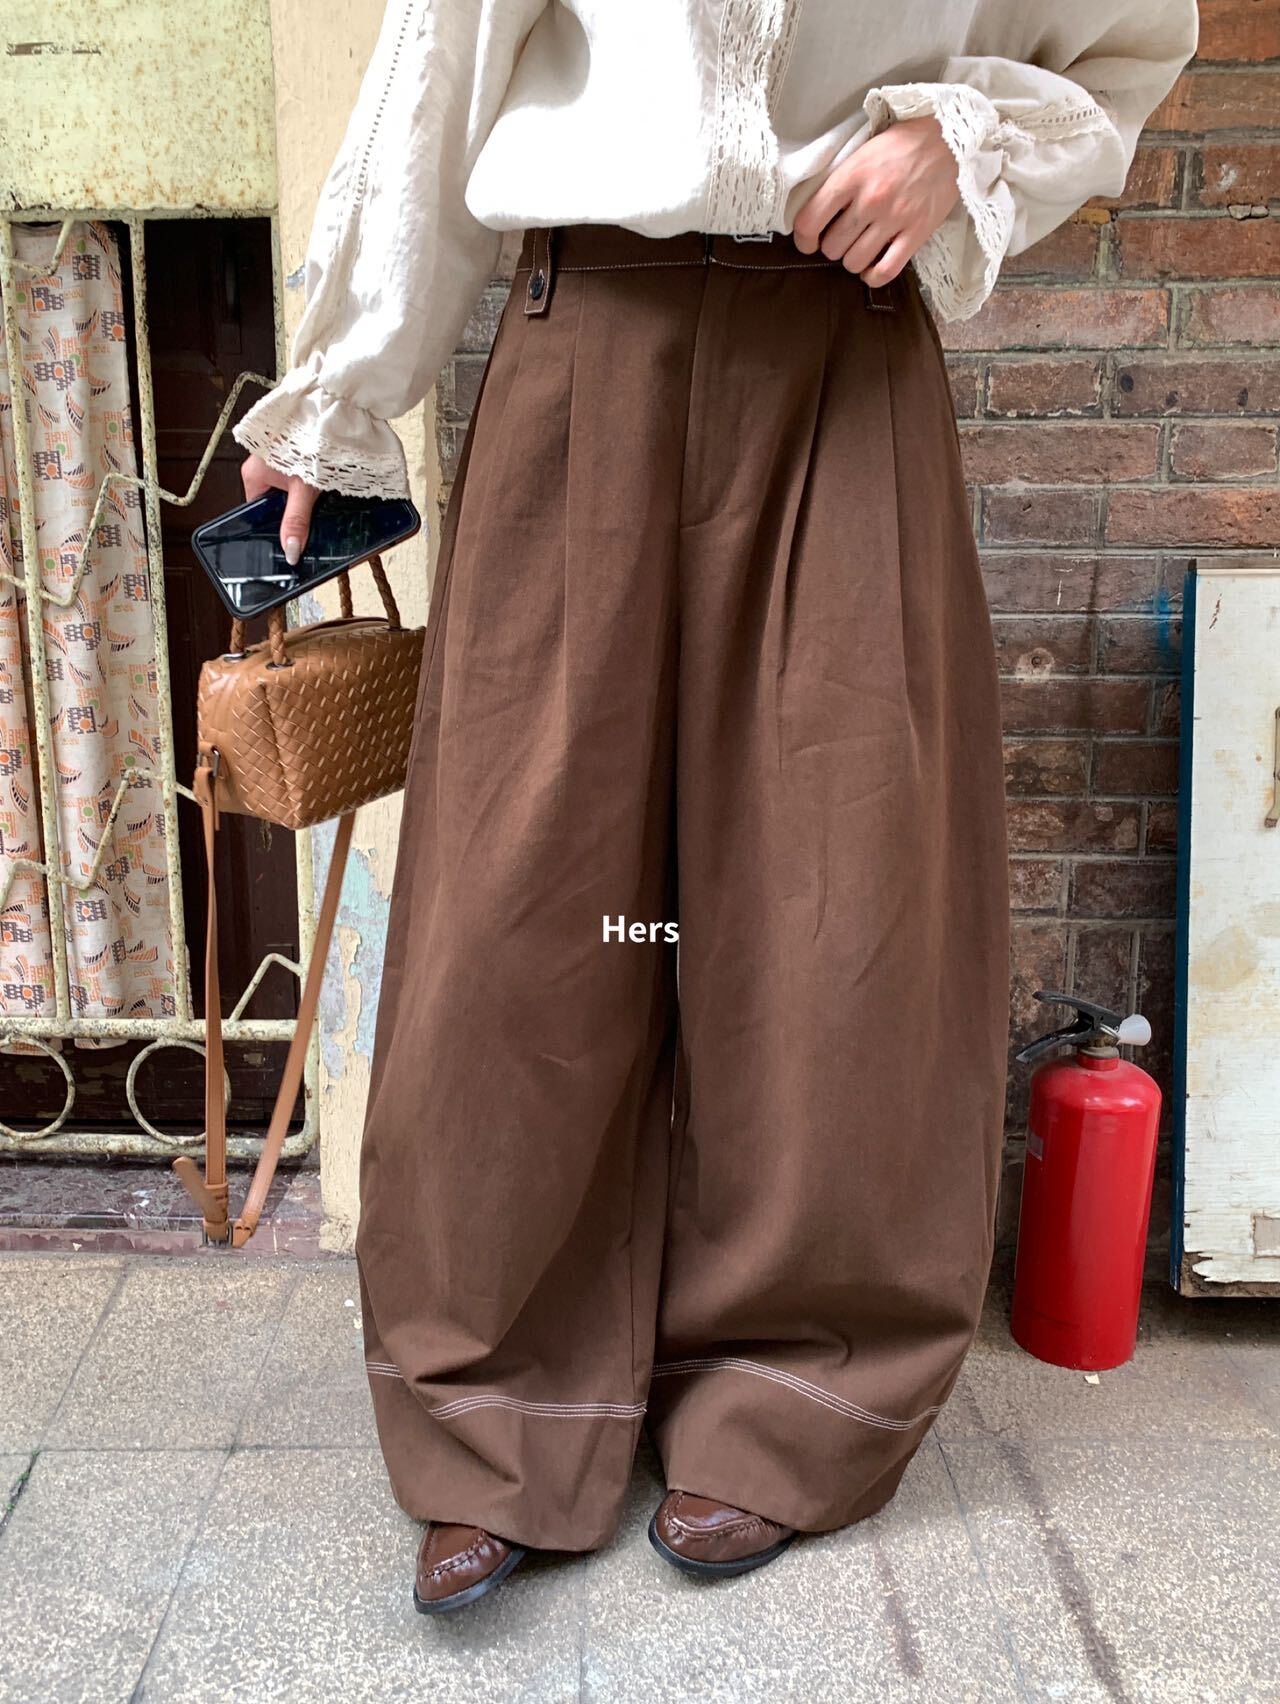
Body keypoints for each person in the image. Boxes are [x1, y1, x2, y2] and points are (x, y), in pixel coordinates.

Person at [234, 0, 1199, 1614]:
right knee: (524, 900)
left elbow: (1125, 44)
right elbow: (438, 72)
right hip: (587, 336)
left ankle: (792, 1392)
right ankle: (496, 1410)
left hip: (842, 350)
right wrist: (338, 391)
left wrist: (956, 144)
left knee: (838, 895)